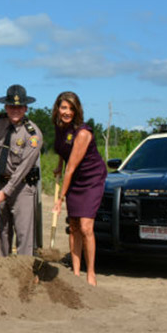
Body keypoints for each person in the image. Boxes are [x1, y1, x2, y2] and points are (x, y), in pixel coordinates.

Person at [52, 91, 107, 286]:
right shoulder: (59, 126)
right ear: (57, 108)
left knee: (85, 226)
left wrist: (59, 200)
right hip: (73, 176)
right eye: (63, 107)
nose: (67, 112)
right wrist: (60, 163)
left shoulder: (83, 133)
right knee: (73, 226)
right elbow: (63, 149)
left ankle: (90, 273)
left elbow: (72, 168)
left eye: (71, 109)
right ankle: (75, 275)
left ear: (77, 111)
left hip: (90, 178)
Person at [0, 85, 43, 257]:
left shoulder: (32, 135)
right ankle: (4, 272)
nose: (15, 110)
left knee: (23, 235)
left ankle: (24, 274)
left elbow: (22, 170)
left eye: (19, 107)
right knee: (2, 233)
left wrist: (6, 191)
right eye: (12, 106)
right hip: (1, 184)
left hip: (22, 188)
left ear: (26, 108)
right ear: (6, 107)